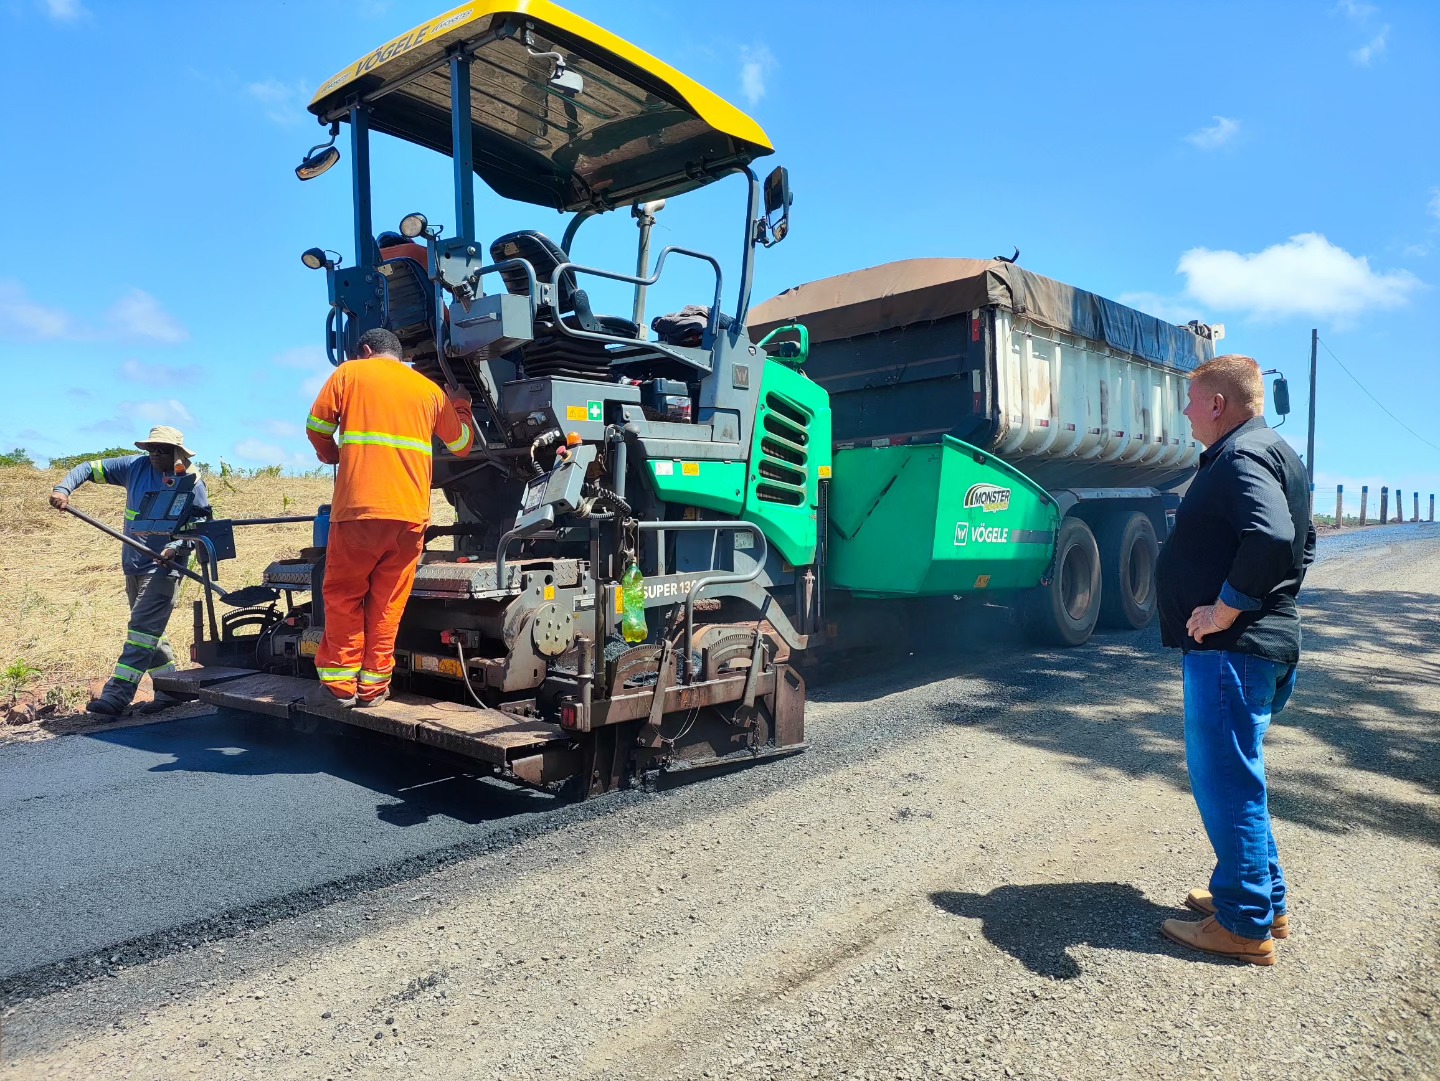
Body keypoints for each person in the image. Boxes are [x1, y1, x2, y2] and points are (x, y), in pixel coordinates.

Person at [1155, 354, 1315, 966]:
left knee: (1226, 780)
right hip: (1259, 647)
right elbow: (1305, 541)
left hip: (1232, 652)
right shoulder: (1276, 452)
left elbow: (1273, 537)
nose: (1187, 410)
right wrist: (1265, 601)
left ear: (1218, 403)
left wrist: (1226, 609)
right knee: (1240, 776)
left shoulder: (1240, 457)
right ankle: (1263, 901)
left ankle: (1244, 924)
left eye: (1192, 399)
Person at [305, 327, 474, 707]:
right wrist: (461, 404)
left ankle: (340, 687)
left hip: (359, 512)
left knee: (344, 596)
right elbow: (462, 446)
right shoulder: (429, 391)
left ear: (366, 350)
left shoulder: (350, 373)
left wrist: (332, 455)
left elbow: (317, 428)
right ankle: (374, 688)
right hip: (410, 517)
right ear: (400, 355)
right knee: (387, 604)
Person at [49, 425, 212, 717]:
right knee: (151, 634)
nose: (153, 455)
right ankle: (171, 689)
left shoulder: (190, 482)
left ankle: (117, 695)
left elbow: (200, 527)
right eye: (150, 449)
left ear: (177, 452)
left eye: (160, 450)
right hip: (133, 564)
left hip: (165, 568)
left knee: (140, 631)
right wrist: (63, 489)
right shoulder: (133, 467)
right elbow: (88, 468)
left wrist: (175, 546)